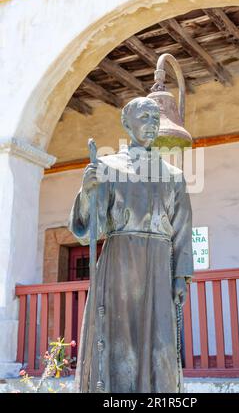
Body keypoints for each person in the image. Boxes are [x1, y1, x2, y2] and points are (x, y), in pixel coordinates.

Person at [69, 96, 193, 393]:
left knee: (161, 344)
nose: (150, 124)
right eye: (143, 117)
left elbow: (182, 231)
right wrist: (87, 193)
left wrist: (180, 276)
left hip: (160, 266)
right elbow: (89, 231)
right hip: (119, 266)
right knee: (117, 339)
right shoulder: (107, 168)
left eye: (154, 118)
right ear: (126, 123)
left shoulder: (174, 176)